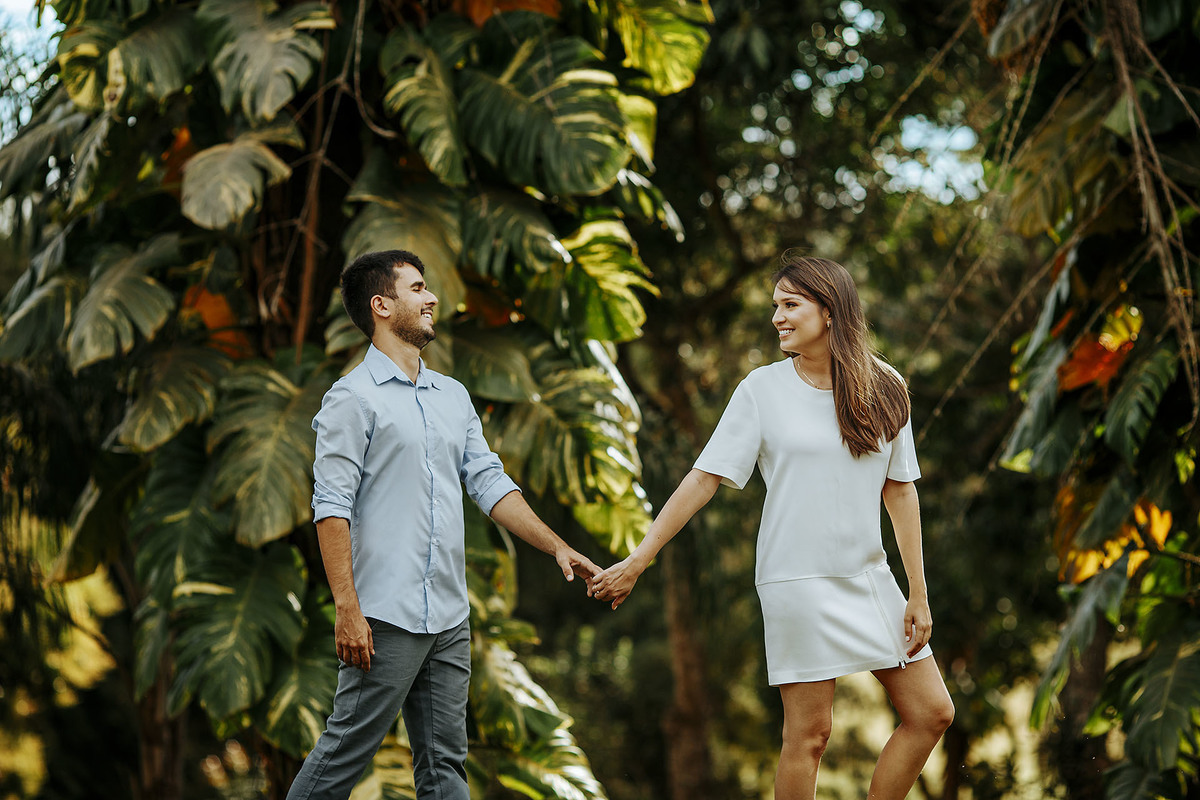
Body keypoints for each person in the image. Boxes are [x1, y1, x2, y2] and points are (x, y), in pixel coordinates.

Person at [589, 252, 955, 800]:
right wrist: (640, 558)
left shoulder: (886, 386)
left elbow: (899, 490)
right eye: (775, 306)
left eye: (790, 304)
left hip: (870, 578)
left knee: (932, 713)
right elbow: (703, 479)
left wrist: (918, 593)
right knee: (810, 736)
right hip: (796, 581)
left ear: (829, 311)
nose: (777, 317)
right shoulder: (760, 390)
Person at [287, 250, 600, 800]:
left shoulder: (452, 396)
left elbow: (489, 484)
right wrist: (347, 609)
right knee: (340, 759)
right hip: (384, 619)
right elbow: (331, 505)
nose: (432, 298)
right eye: (417, 288)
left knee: (445, 768)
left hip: (450, 618)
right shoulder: (351, 400)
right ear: (381, 306)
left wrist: (556, 546)